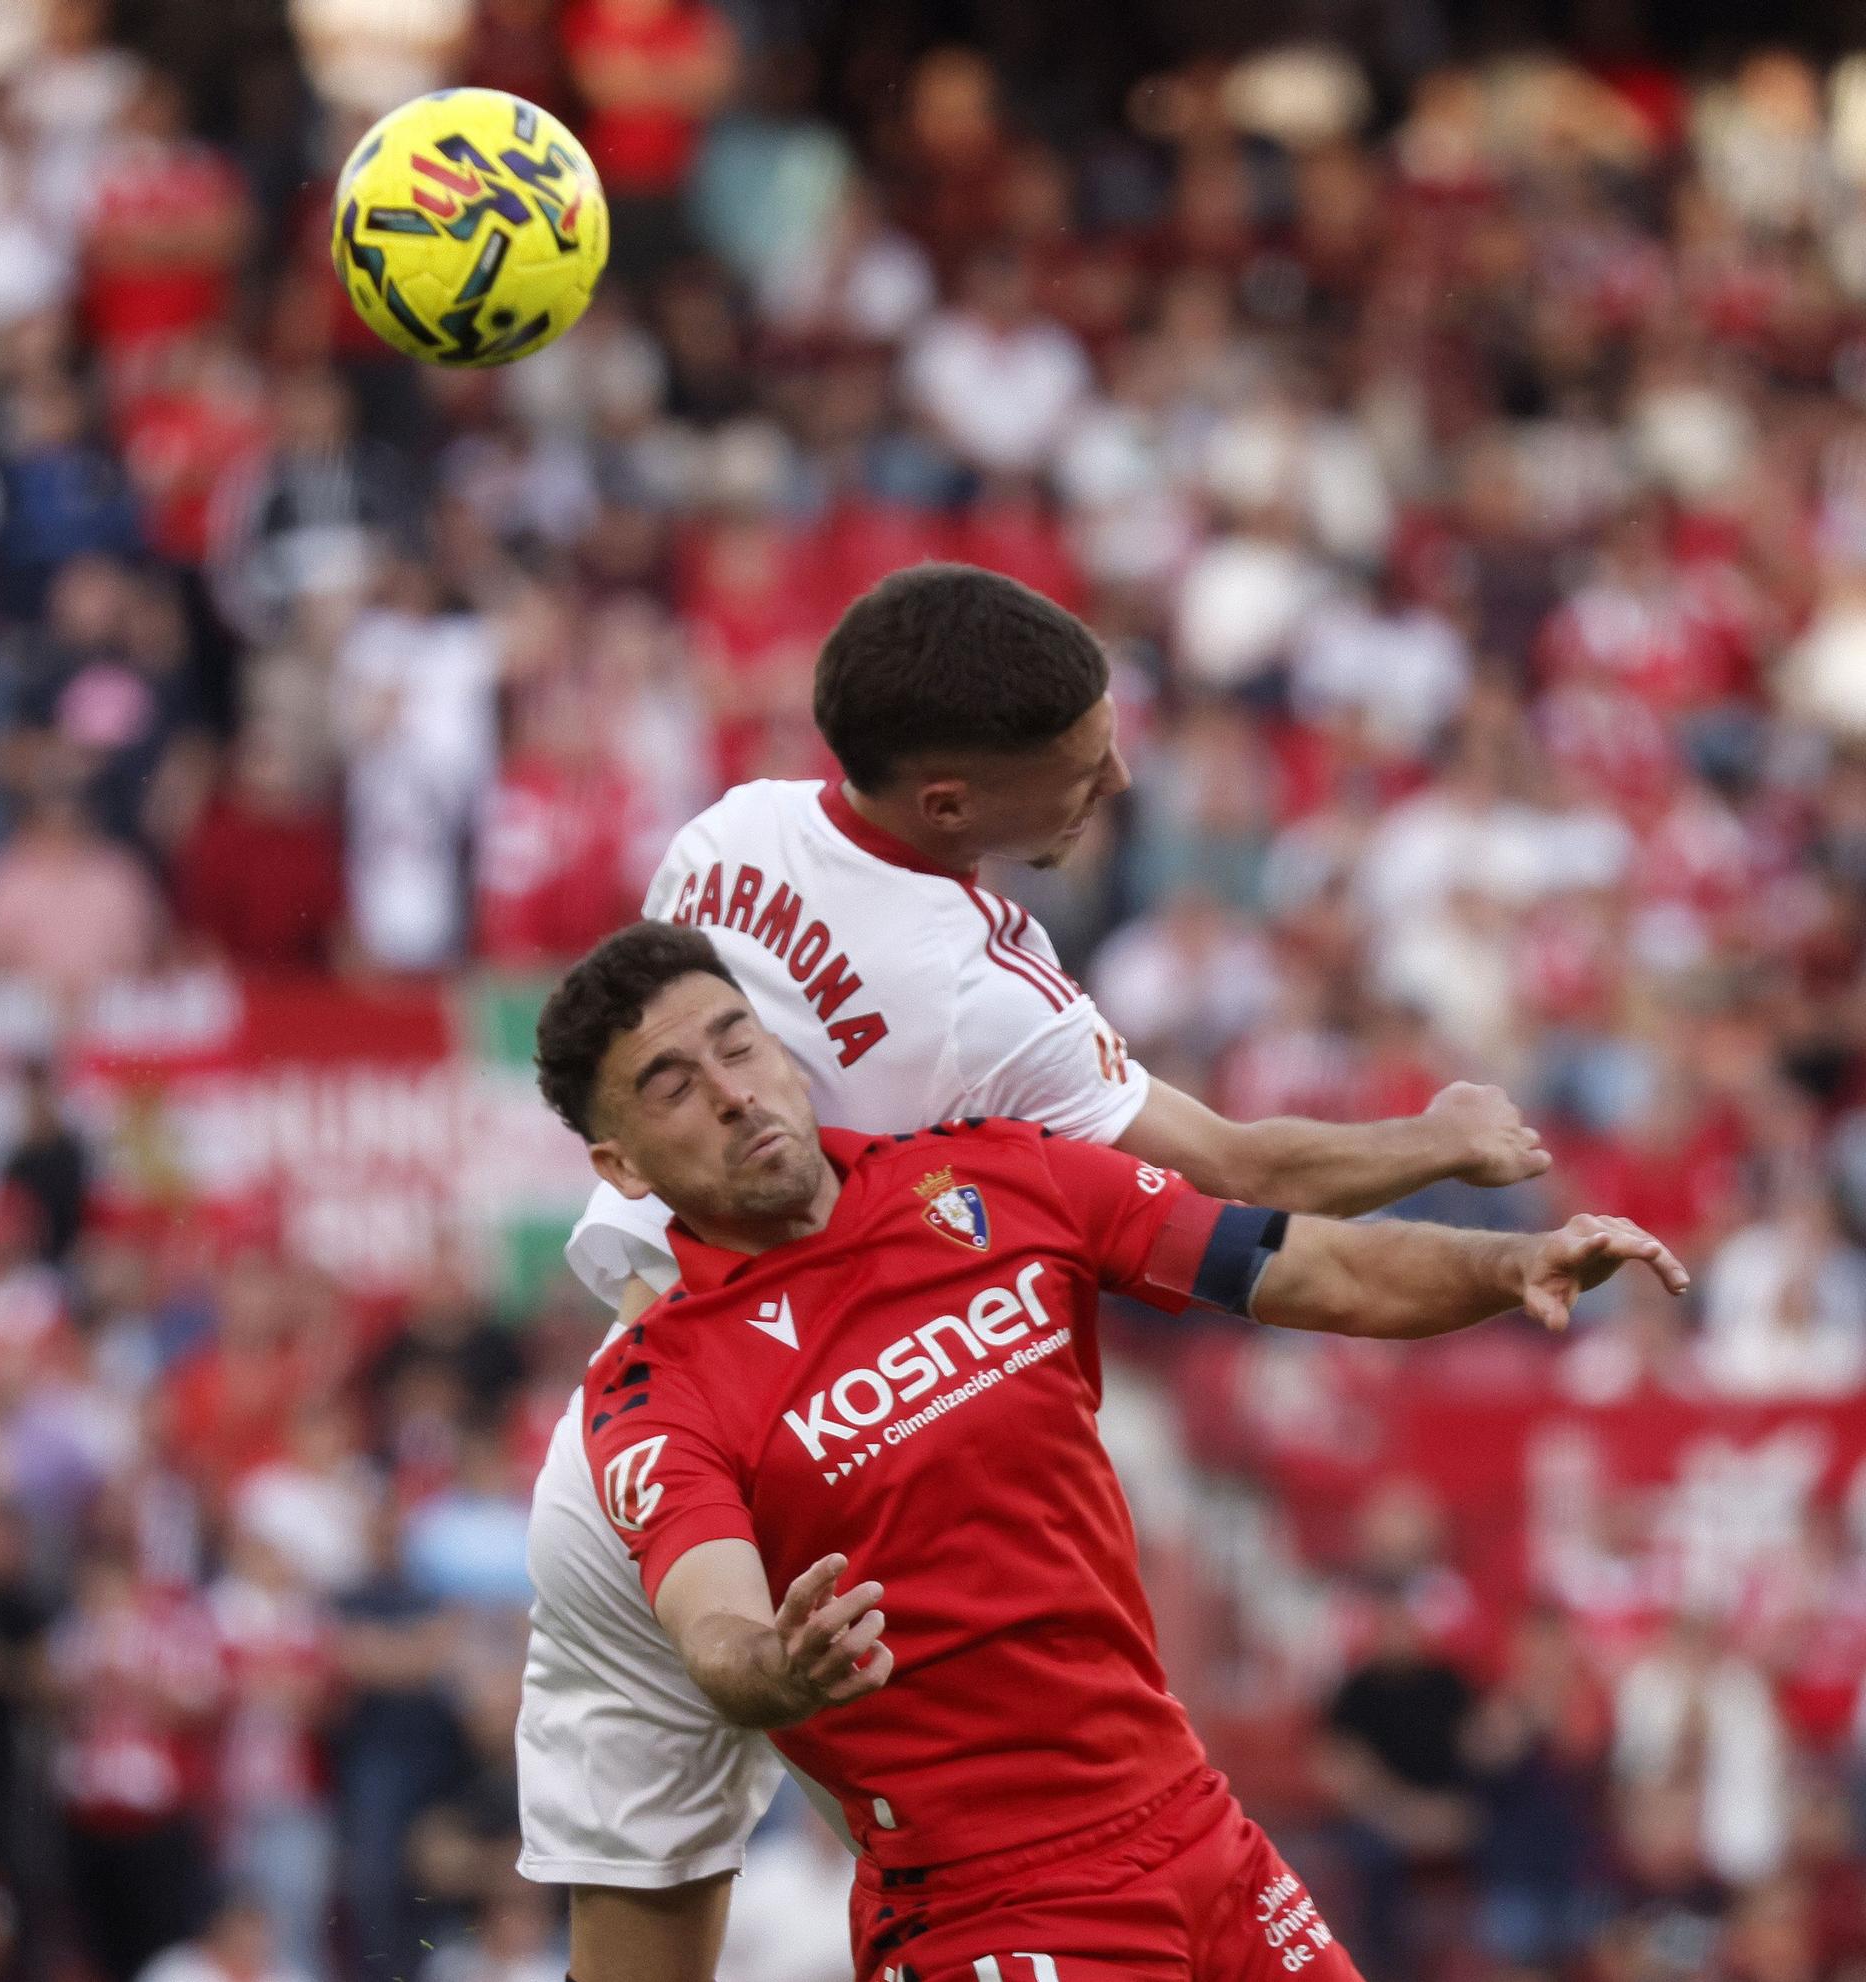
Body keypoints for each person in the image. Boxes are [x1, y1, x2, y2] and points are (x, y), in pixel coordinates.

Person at [518, 563, 1554, 1981]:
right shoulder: (980, 995)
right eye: (1080, 763)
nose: (1116, 775)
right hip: (816, 1459)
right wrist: (1433, 1136)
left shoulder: (731, 828)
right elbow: (1239, 1170)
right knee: (989, 1852)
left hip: (623, 1444)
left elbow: (631, 1030)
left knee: (645, 1931)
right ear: (947, 801)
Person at [533, 921, 1687, 1982]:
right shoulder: (655, 1385)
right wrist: (771, 1668)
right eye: (673, 1087)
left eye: (738, 1043)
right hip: (995, 1906)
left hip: (1194, 1825)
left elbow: (1306, 1263)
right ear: (622, 1167)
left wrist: (1505, 1266)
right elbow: (713, 1624)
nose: (733, 1093)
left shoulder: (994, 1174)